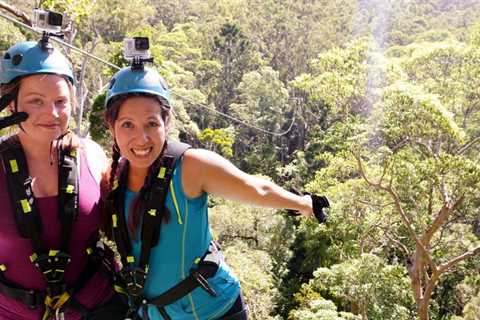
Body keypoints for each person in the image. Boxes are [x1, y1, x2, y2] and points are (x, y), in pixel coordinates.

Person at [101, 62, 327, 320]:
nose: (141, 138)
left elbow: (255, 188)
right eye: (128, 124)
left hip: (215, 312)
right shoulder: (113, 176)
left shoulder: (190, 167)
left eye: (152, 124)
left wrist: (303, 203)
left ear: (167, 122)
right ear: (112, 126)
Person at [0, 39, 127, 319]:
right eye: (36, 101)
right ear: (11, 106)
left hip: (99, 307)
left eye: (61, 102)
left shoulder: (90, 156)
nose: (53, 113)